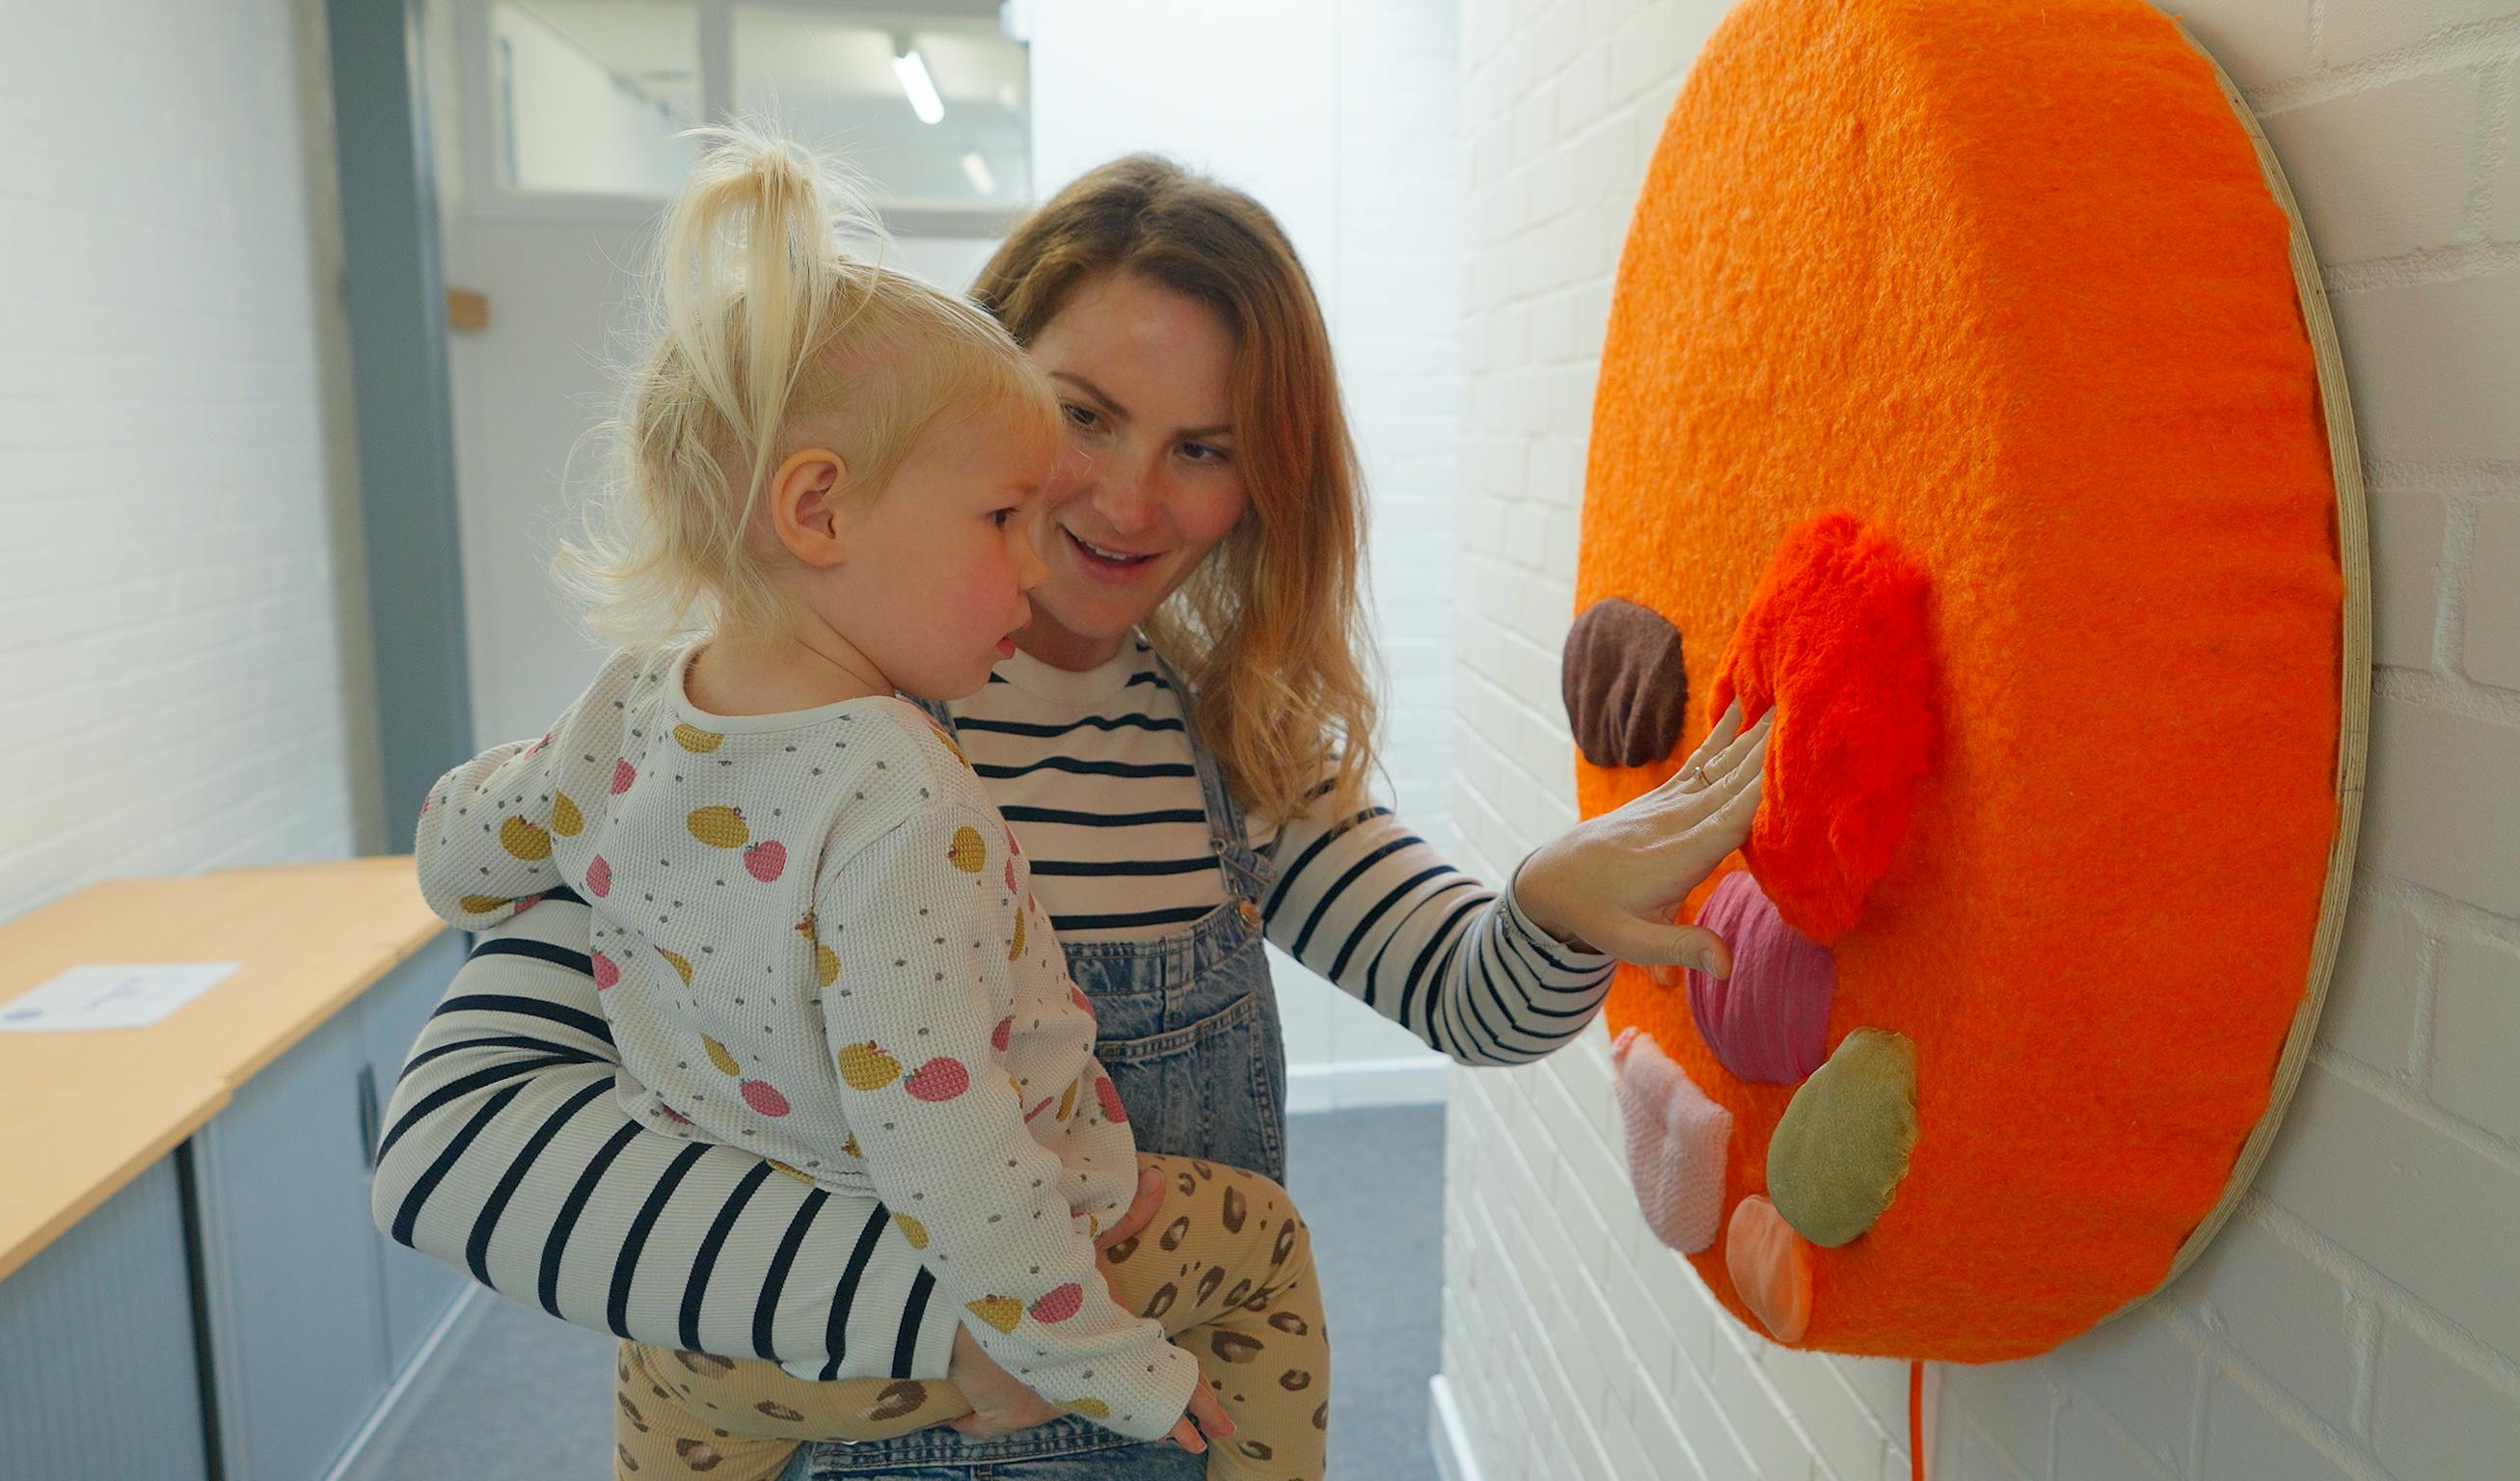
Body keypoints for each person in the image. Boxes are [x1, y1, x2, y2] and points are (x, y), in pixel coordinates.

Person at [372, 150, 1768, 1480]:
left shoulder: (1233, 746)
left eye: (1205, 449)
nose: (1123, 499)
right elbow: (455, 1152)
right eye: (1083, 417)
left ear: (1260, 491)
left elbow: (1479, 1004)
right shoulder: (759, 744)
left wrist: (1551, 905)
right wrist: (971, 1327)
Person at [409, 130, 1328, 1480]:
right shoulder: (910, 804)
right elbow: (946, 1137)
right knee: (1267, 1254)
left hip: (716, 1355)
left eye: (1202, 446)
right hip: (982, 1310)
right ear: (822, 508)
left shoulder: (634, 711)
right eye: (1005, 510)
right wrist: (1083, 1356)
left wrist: (513, 877)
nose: (1061, 535)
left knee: (663, 1415)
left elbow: (456, 849)